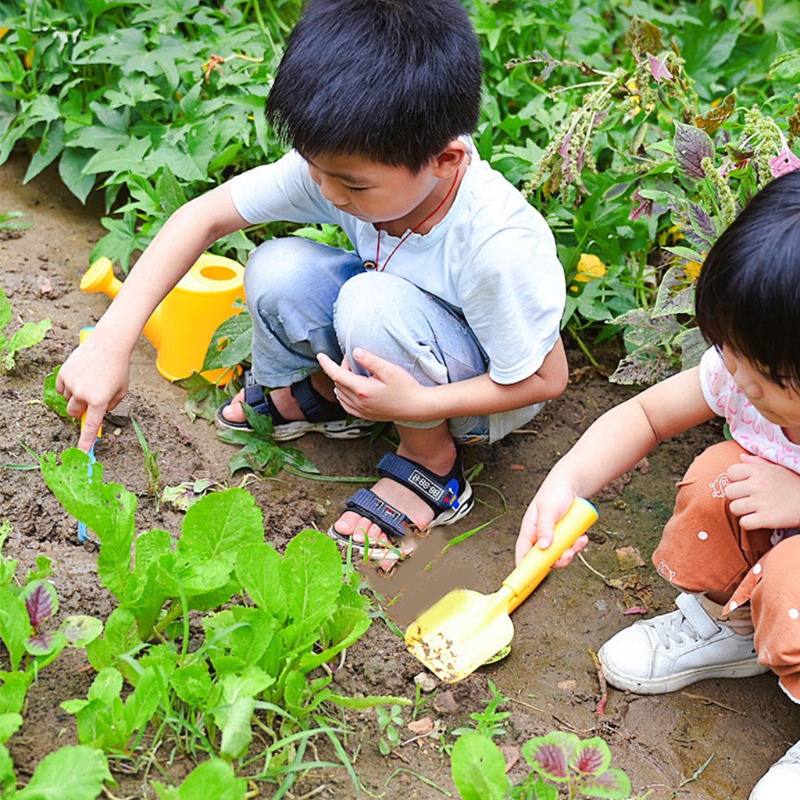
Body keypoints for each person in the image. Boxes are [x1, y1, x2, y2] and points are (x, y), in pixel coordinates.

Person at [57, 0, 568, 564]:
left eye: (350, 184)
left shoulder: (497, 245)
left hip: (481, 396)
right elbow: (202, 217)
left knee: (369, 300)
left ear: (445, 160)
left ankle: (432, 465)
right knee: (278, 267)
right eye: (314, 168)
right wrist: (111, 341)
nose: (327, 192)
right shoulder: (355, 168)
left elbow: (546, 380)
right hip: (394, 330)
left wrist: (419, 402)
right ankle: (330, 397)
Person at [515, 169, 800, 798]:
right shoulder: (746, 373)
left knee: (793, 576)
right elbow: (644, 415)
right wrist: (566, 482)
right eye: (731, 351)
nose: (743, 385)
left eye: (771, 375)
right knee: (719, 476)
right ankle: (732, 625)